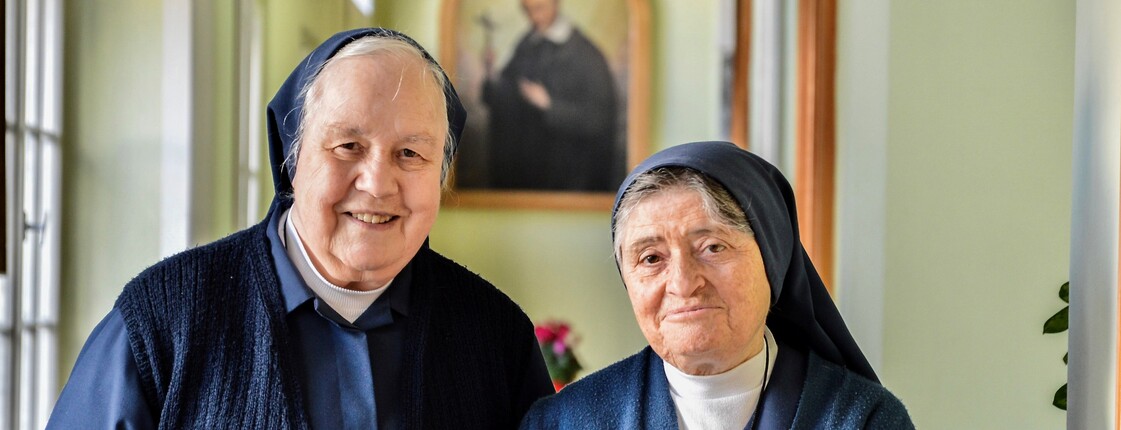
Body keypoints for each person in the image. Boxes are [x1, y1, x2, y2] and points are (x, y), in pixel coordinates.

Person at [48, 28, 554, 429]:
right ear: (292, 159)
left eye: (410, 154)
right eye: (348, 146)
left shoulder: (498, 338)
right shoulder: (160, 324)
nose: (378, 183)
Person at [521, 141, 914, 429]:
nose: (683, 283)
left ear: (773, 260)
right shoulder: (563, 422)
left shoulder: (862, 420)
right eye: (651, 259)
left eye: (711, 247)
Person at [480, 0, 621, 191]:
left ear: (555, 4)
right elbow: (505, 95)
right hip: (526, 171)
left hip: (567, 174)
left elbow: (599, 119)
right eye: (528, 11)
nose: (534, 17)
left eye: (539, 8)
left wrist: (549, 105)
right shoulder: (527, 45)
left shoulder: (586, 55)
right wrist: (490, 73)